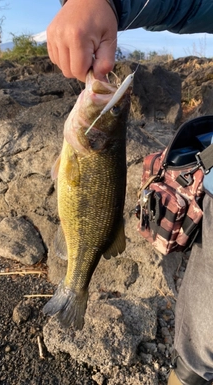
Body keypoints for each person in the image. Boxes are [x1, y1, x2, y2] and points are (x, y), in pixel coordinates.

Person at [47, 1, 213, 384]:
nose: (115, 109)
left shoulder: (85, 146)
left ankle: (75, 287)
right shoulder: (87, 146)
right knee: (201, 337)